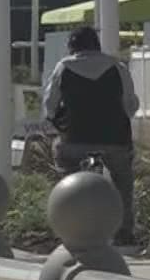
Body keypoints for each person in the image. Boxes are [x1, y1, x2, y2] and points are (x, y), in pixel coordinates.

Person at [43, 26, 141, 245]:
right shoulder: (117, 66)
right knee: (122, 180)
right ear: (96, 44)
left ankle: (68, 222)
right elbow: (130, 103)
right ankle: (125, 231)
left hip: (74, 137)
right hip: (115, 137)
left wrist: (55, 119)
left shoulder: (64, 67)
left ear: (71, 47)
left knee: (66, 171)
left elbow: (49, 104)